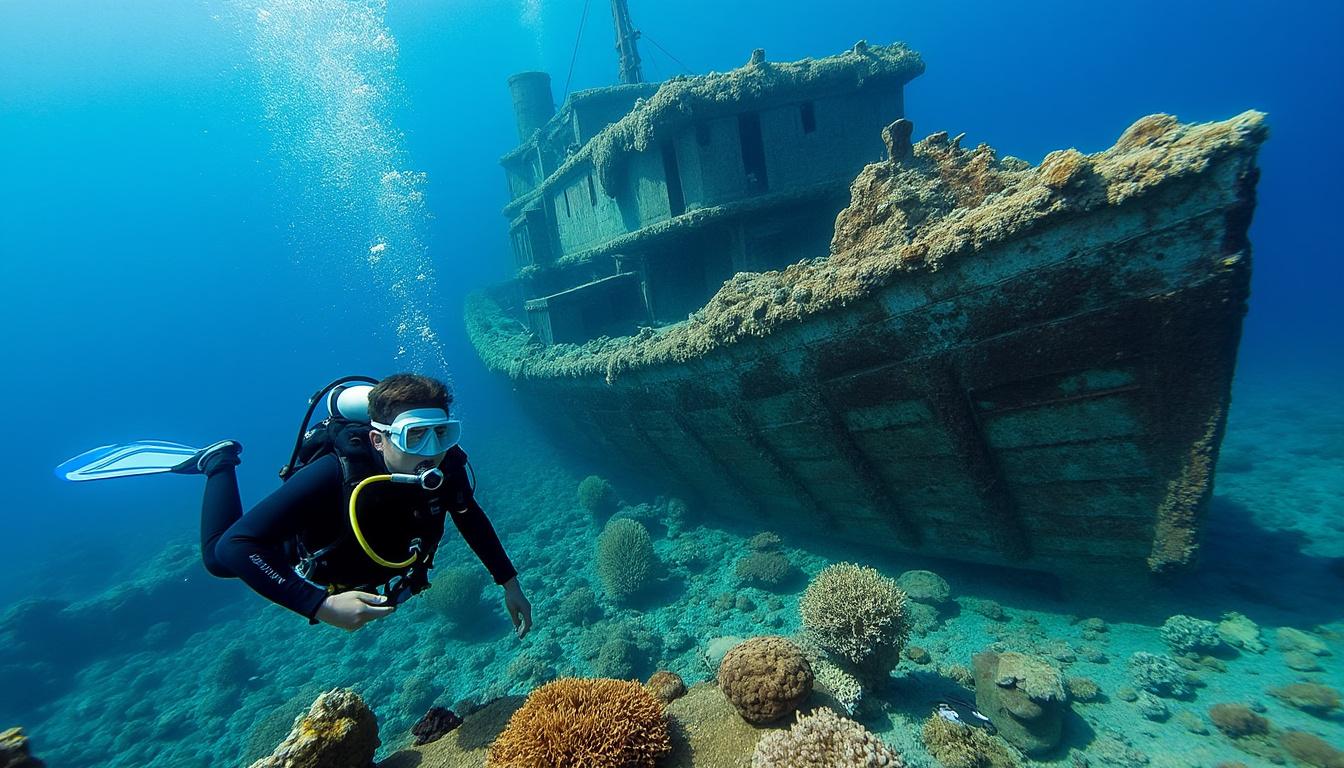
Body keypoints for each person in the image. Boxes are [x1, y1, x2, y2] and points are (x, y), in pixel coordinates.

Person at [177, 373, 532, 635]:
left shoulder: (447, 465)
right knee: (217, 560)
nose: (431, 451)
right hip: (317, 547)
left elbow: (470, 518)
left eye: (441, 433)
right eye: (414, 436)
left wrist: (509, 583)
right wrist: (320, 605)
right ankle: (219, 462)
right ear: (378, 440)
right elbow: (236, 544)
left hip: (376, 560)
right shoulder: (337, 470)